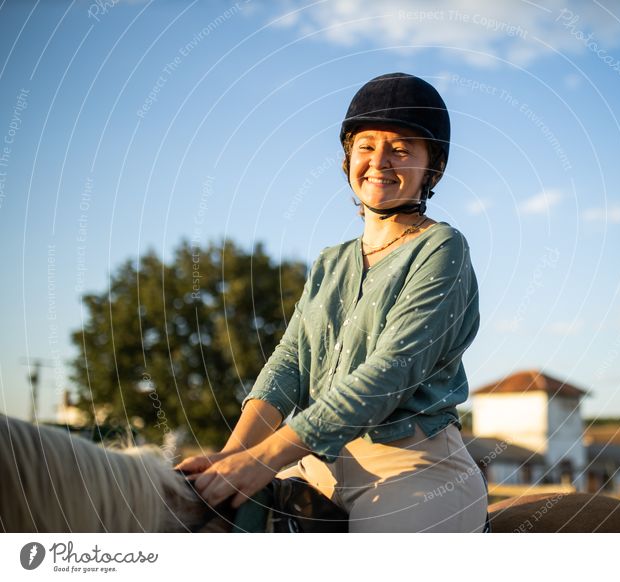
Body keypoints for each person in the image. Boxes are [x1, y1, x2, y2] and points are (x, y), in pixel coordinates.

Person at [177, 72, 487, 532]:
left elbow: (391, 373)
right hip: (314, 463)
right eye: (366, 146)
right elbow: (289, 365)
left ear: (432, 167)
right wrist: (234, 454)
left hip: (411, 469)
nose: (379, 161)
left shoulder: (442, 249)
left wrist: (265, 458)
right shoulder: (329, 262)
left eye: (401, 148)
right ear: (349, 158)